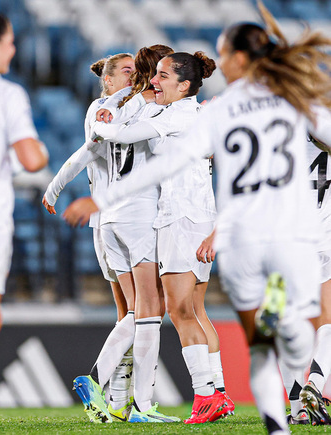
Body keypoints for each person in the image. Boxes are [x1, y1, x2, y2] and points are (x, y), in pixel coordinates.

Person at [62, 2, 331, 432]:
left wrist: (104, 196)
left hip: (240, 236)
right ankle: (304, 387)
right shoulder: (294, 105)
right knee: (298, 323)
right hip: (289, 234)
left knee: (257, 331)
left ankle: (278, 404)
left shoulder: (217, 111)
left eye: (224, 53)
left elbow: (171, 163)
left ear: (241, 59)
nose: (220, 61)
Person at [75, 50, 233, 424]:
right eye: (154, 75)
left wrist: (102, 119)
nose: (153, 82)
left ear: (184, 85)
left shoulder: (178, 115)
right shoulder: (183, 111)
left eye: (162, 76)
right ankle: (216, 393)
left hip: (181, 217)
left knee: (176, 310)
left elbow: (121, 133)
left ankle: (202, 396)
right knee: (191, 309)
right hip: (189, 215)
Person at [42, 53, 136, 423]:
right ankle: (98, 381)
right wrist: (56, 186)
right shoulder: (104, 107)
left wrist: (54, 187)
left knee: (128, 314)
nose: (135, 77)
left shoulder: (129, 108)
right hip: (122, 220)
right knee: (145, 312)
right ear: (108, 80)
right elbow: (88, 151)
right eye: (126, 72)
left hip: (113, 222)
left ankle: (119, 401)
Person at [0, 10, 48, 354]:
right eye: (9, 44)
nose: (13, 52)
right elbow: (31, 159)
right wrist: (42, 150)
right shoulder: (7, 94)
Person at [280, 134, 331, 426]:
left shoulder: (278, 132)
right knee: (328, 320)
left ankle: (297, 405)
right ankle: (315, 381)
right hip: (324, 241)